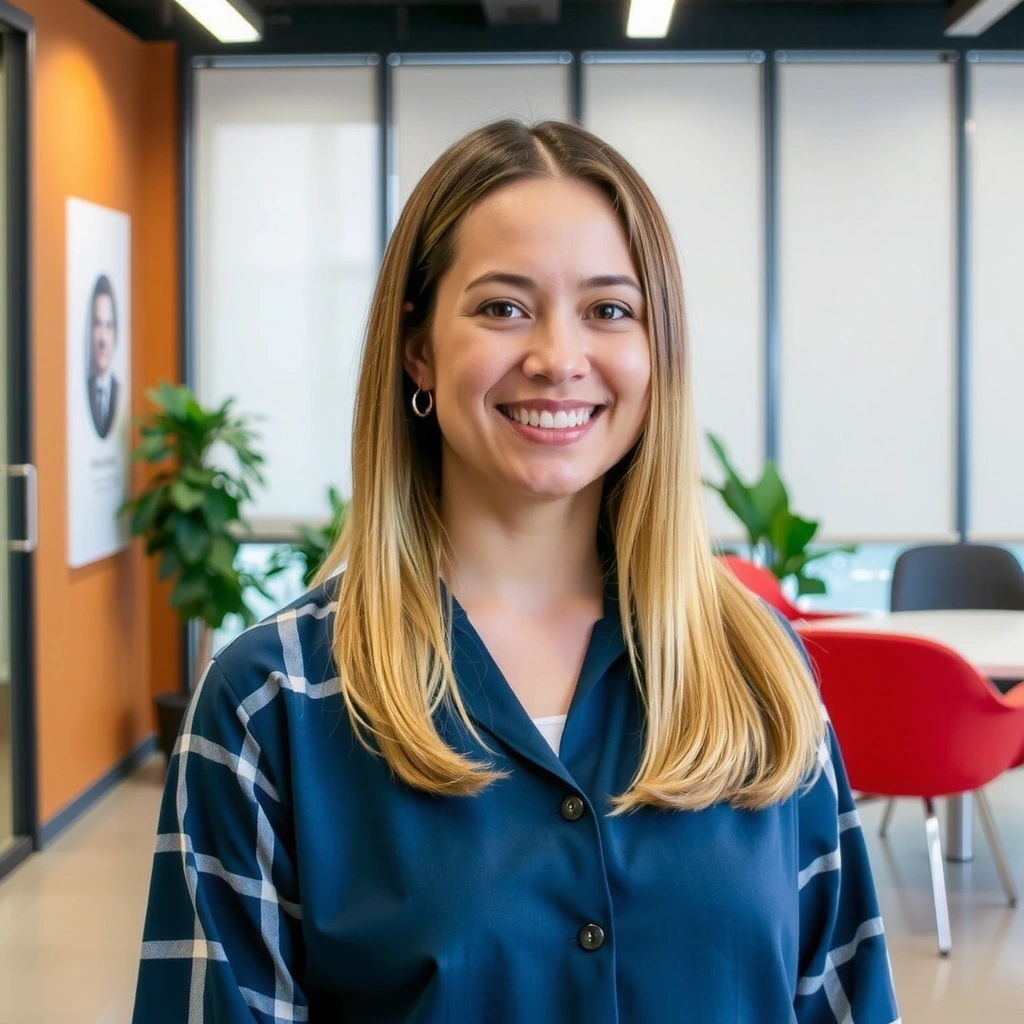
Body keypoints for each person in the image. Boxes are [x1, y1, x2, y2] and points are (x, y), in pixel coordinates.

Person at [133, 120, 900, 1023]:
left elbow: (843, 1000)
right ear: (418, 347)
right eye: (503, 307)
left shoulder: (759, 670)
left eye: (610, 310)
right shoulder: (274, 706)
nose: (558, 357)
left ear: (658, 354)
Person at [86, 274, 120, 440]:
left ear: (116, 335)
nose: (103, 340)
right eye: (98, 325)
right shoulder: (85, 388)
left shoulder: (118, 391)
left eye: (109, 326)